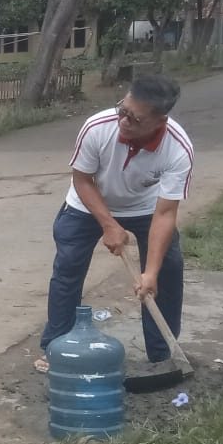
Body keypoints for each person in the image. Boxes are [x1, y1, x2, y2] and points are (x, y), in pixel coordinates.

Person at [39, 74, 193, 373]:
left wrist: (150, 272)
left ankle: (163, 355)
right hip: (88, 203)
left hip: (146, 207)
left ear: (160, 120)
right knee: (68, 266)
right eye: (122, 109)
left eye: (134, 119)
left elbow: (164, 214)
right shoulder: (98, 127)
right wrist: (109, 224)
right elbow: (83, 179)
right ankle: (56, 348)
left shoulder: (177, 148)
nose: (123, 121)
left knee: (168, 269)